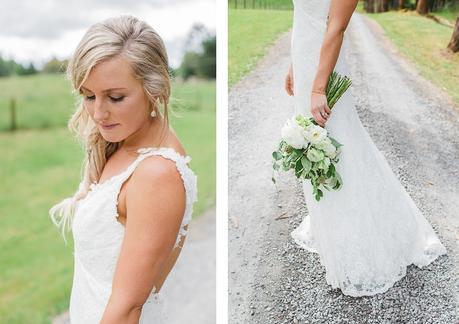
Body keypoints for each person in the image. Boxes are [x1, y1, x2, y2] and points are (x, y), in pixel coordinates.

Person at [285, 0, 446, 297]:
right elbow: (305, 18)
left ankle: (363, 235)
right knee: (314, 142)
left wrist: (319, 88)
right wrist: (295, 64)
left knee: (340, 142)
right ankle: (331, 227)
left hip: (324, 69)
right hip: (306, 59)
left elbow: (337, 27)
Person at [49, 15, 197, 323]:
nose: (98, 113)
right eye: (88, 96)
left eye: (115, 97)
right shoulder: (125, 141)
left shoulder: (157, 175)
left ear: (153, 87)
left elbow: (128, 307)